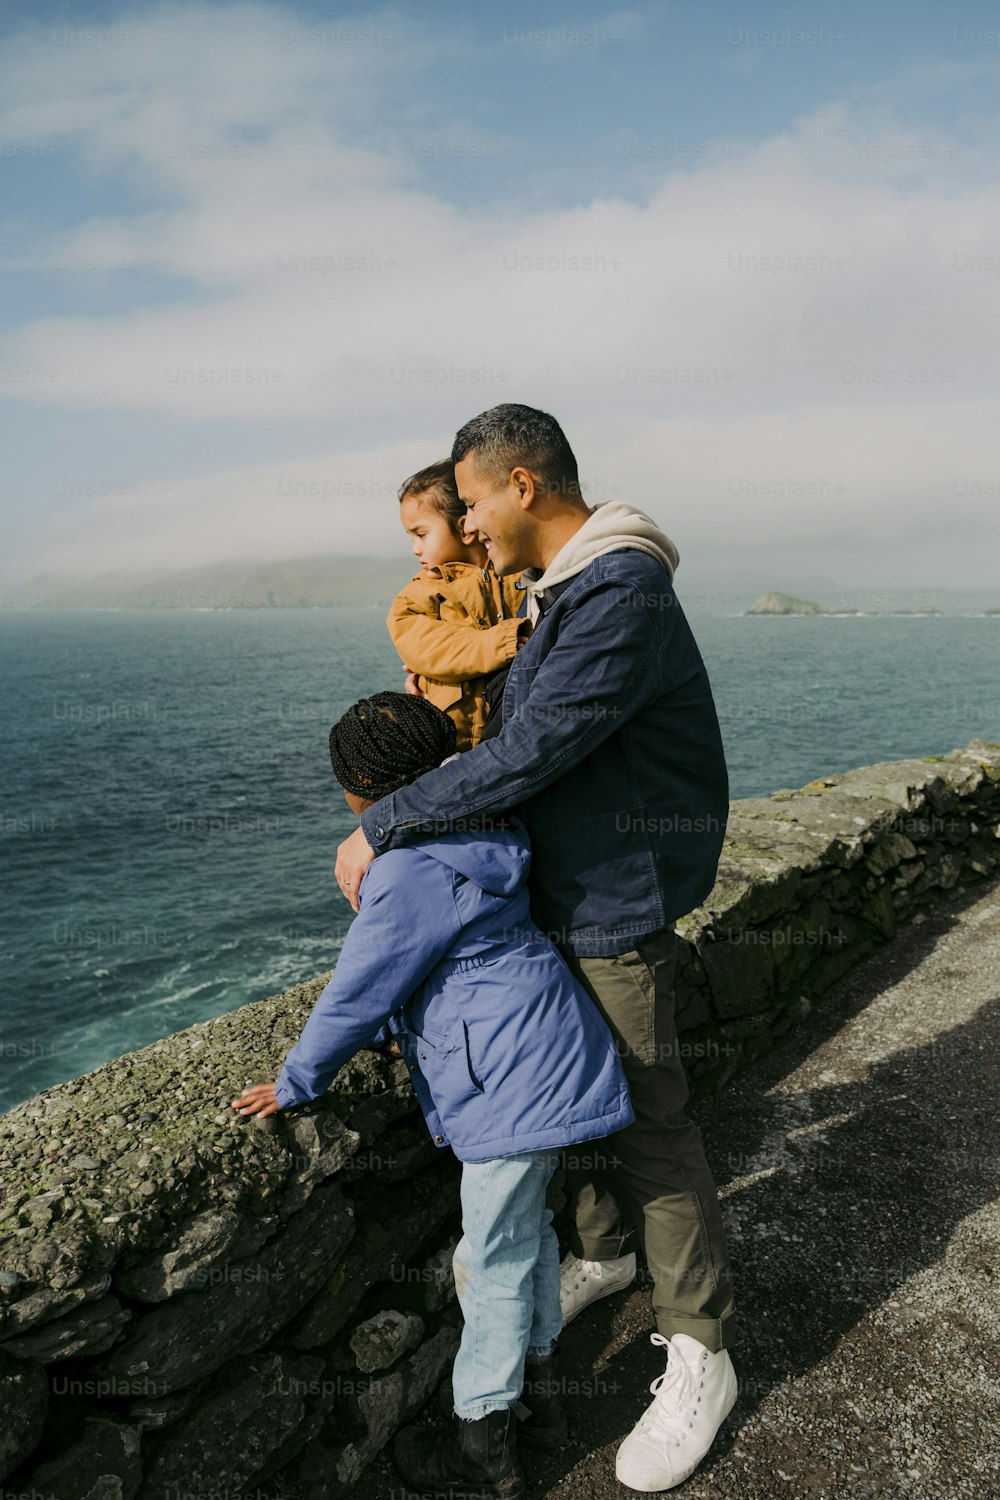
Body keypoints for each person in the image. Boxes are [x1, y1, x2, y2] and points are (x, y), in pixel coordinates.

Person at [335, 404, 738, 1493]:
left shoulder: (617, 592)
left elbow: (536, 747)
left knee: (652, 1121)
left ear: (521, 485)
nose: (463, 527)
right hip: (561, 891)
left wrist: (385, 818)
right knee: (586, 1098)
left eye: (468, 502)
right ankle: (604, 1255)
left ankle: (702, 1348)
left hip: (612, 897)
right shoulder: (561, 593)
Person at [232, 690, 634, 1500]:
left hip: (509, 1077)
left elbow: (357, 988)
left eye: (344, 783)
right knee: (530, 1239)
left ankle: (483, 1447)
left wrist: (295, 1081)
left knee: (486, 1261)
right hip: (545, 1047)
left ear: (365, 790)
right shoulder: (482, 820)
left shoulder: (411, 866)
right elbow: (457, 959)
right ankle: (542, 1409)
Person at [389, 459, 533, 752]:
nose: (415, 548)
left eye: (421, 534)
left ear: (465, 527)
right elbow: (427, 650)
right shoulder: (416, 598)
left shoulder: (526, 574)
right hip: (453, 751)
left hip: (523, 741)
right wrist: (507, 643)